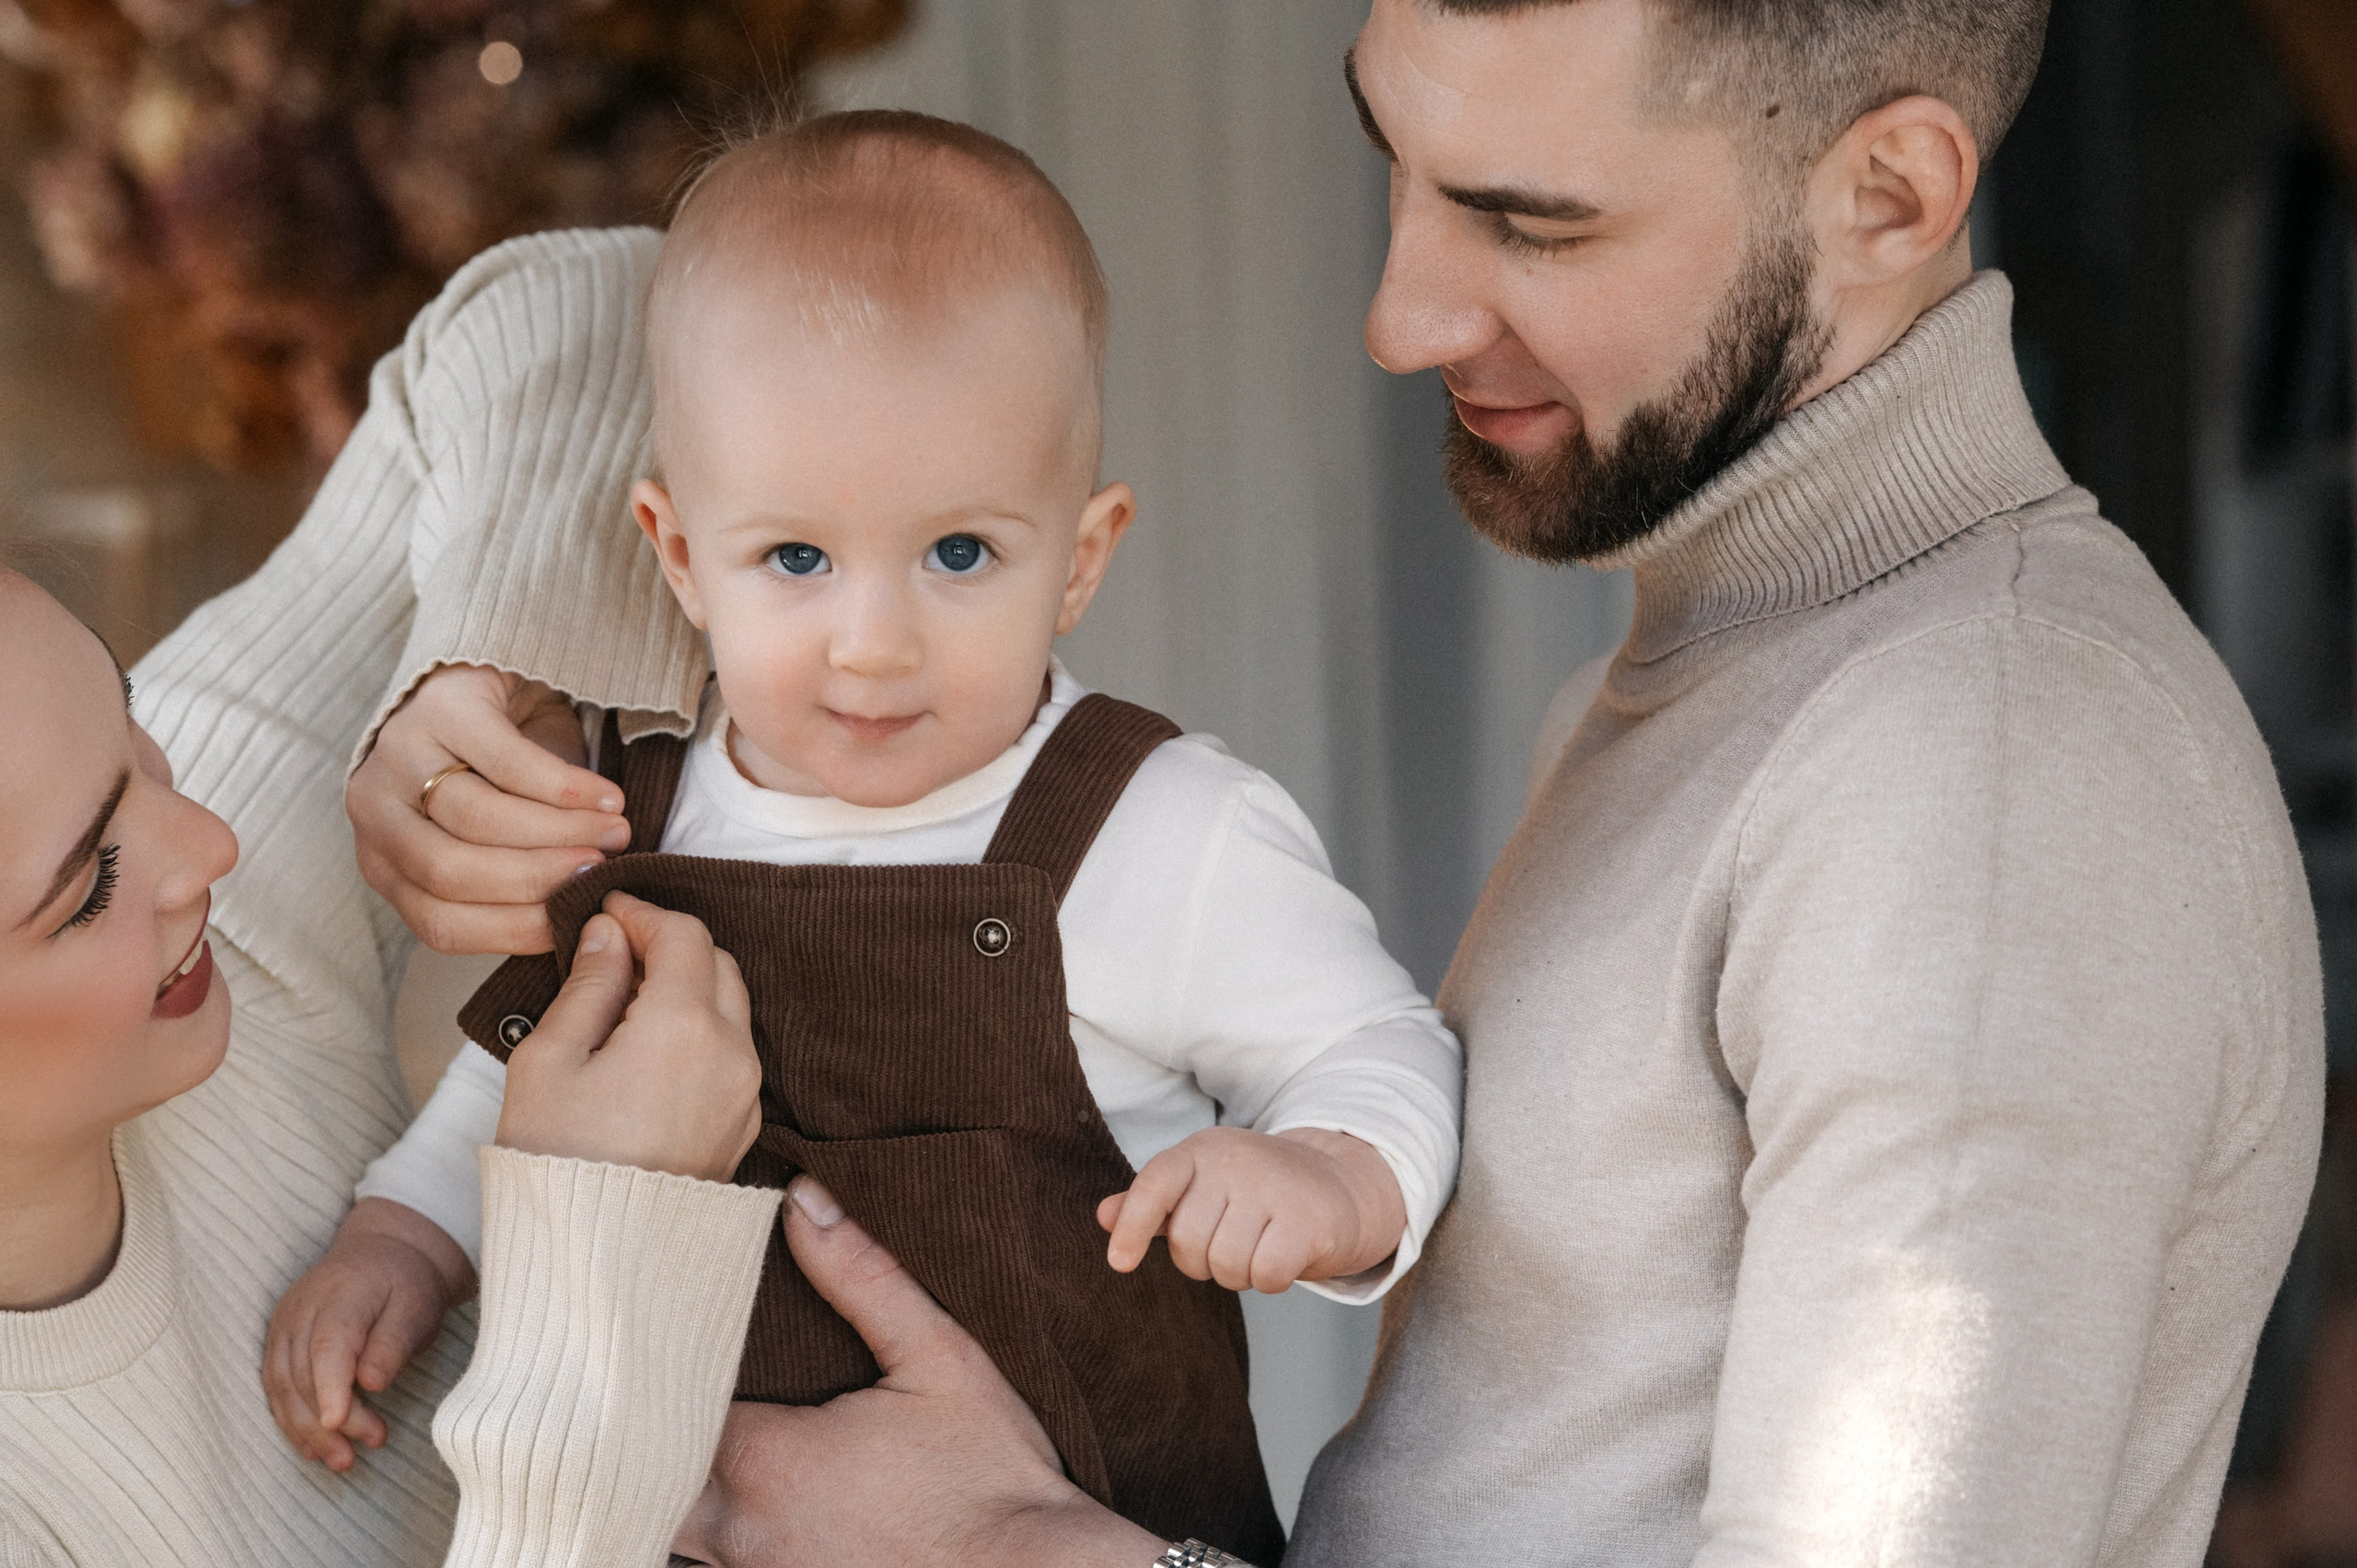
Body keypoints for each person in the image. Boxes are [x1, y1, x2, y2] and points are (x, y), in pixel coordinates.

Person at [345, 0, 2325, 1562]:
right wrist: (506, 647)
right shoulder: (1713, 687)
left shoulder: (1976, 774)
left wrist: (1041, 1553)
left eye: (1526, 219)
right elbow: (648, 314)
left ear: (1884, 196)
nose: (1396, 315)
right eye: (1399, 166)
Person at [264, 111, 1460, 1562]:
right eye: (797, 559)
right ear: (678, 555)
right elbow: (531, 1095)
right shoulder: (628, 803)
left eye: (960, 553)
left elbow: (1380, 1048)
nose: (875, 645)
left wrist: (1330, 1173)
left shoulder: (1165, 828)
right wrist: (404, 1234)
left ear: (1079, 558)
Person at [0, 568, 776, 1566]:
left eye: (131, 720)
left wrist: (472, 659)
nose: (213, 842)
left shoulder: (225, 918)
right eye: (90, 884)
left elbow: (511, 411)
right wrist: (599, 1242)